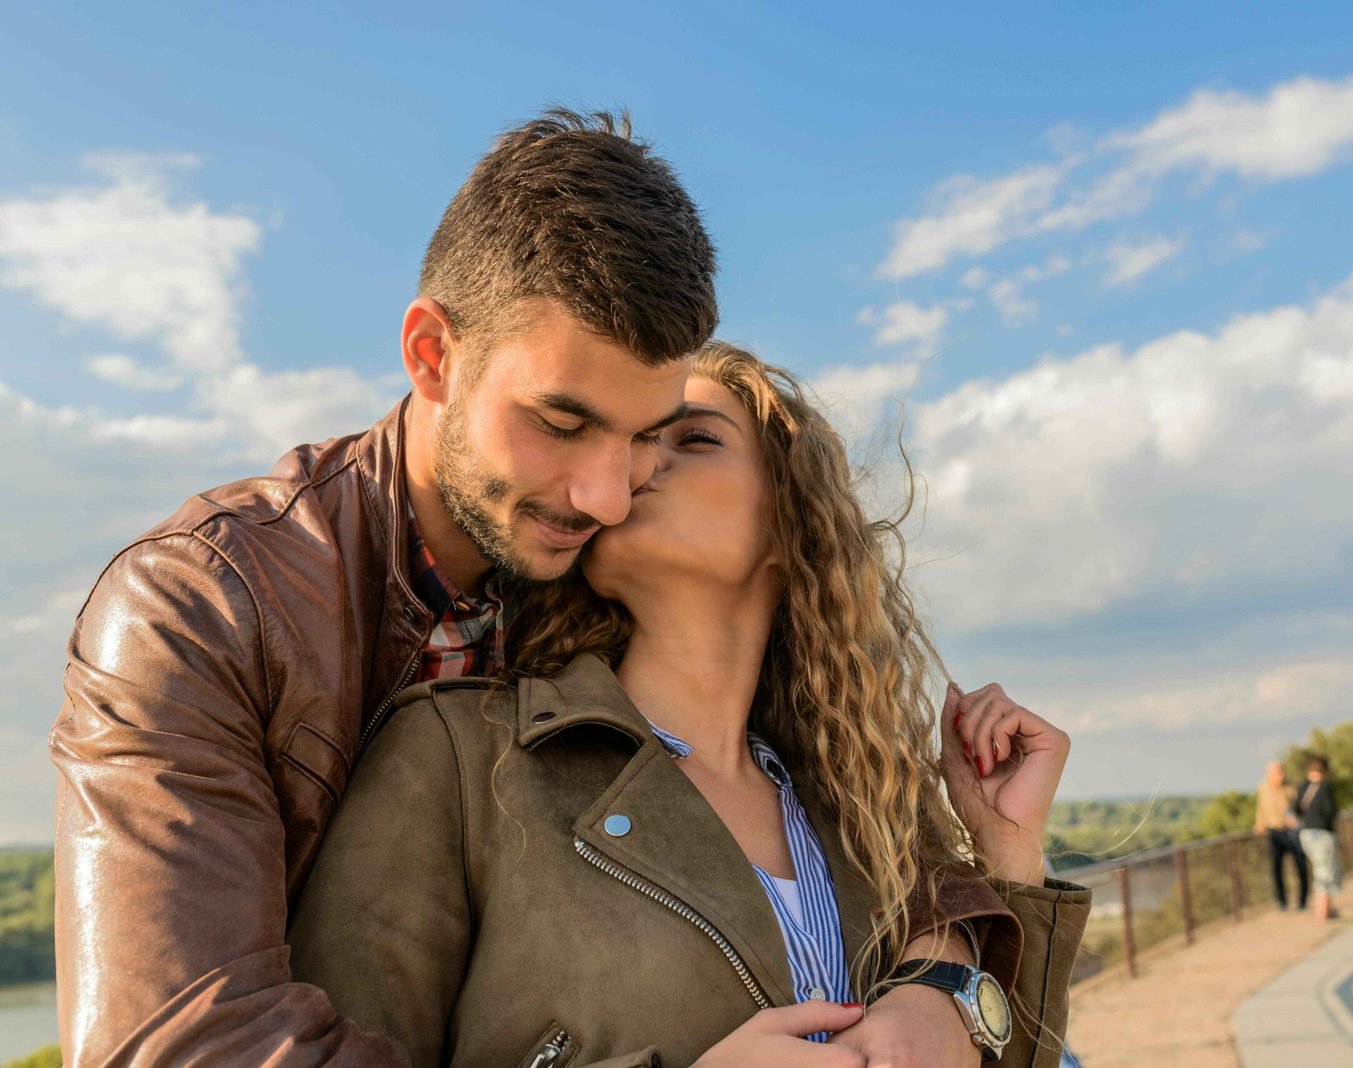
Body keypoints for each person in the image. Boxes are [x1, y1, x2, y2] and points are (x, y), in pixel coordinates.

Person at [49, 113, 1016, 1065]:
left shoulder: (593, 593)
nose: (609, 495)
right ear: (432, 355)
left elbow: (877, 829)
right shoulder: (198, 606)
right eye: (561, 423)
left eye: (648, 436)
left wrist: (950, 972)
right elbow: (179, 1045)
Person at [288, 343, 1092, 1066]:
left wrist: (1009, 855)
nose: (637, 464)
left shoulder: (865, 813)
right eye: (636, 441)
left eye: (694, 438)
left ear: (792, 527)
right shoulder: (458, 757)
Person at [1254, 761, 1308, 911]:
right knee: (1276, 867)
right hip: (1274, 831)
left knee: (1300, 865)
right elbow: (1260, 808)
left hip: (1292, 832)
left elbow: (1300, 807)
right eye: (1273, 772)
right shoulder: (1263, 788)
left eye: (1279, 772)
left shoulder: (1291, 787)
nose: (1277, 775)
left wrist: (1296, 819)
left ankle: (1303, 900)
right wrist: (1259, 824)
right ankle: (1281, 901)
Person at [1293, 756, 1342, 921]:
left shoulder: (1303, 786)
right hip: (1323, 833)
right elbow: (1331, 812)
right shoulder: (1325, 788)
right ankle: (1323, 910)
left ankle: (1325, 908)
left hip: (1306, 834)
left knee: (1318, 868)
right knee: (1326, 870)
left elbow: (1296, 809)